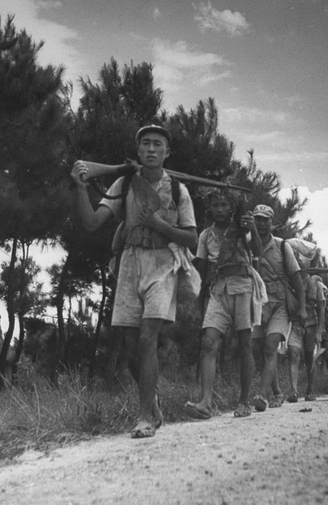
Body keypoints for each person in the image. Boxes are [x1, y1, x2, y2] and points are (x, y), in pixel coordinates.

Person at [71, 124, 197, 438]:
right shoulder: (124, 182)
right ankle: (150, 400)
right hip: (129, 262)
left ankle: (143, 417)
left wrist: (157, 223)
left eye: (158, 144)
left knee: (147, 338)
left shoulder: (178, 189)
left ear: (167, 152)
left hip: (163, 263)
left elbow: (191, 237)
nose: (151, 149)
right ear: (138, 150)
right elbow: (91, 223)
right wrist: (80, 187)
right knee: (129, 347)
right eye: (145, 144)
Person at [185, 190, 266, 420]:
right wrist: (195, 296)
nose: (219, 209)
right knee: (209, 342)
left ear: (231, 208)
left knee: (244, 344)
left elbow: (257, 252)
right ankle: (206, 402)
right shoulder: (205, 235)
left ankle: (244, 401)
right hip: (218, 290)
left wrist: (252, 230)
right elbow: (200, 266)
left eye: (224, 205)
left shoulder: (242, 229)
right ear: (209, 209)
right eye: (215, 205)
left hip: (243, 287)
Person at [252, 205, 307, 411]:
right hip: (258, 303)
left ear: (272, 223)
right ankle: (277, 392)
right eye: (257, 219)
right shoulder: (248, 244)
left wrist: (301, 307)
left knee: (270, 345)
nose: (261, 223)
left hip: (280, 304)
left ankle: (261, 395)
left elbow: (297, 279)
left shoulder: (282, 246)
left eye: (265, 220)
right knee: (261, 350)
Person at [286, 271, 325, 402]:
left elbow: (321, 309)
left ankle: (310, 390)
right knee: (293, 354)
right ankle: (294, 391)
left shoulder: (316, 285)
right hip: (295, 324)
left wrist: (319, 331)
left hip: (311, 324)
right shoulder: (289, 280)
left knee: (310, 358)